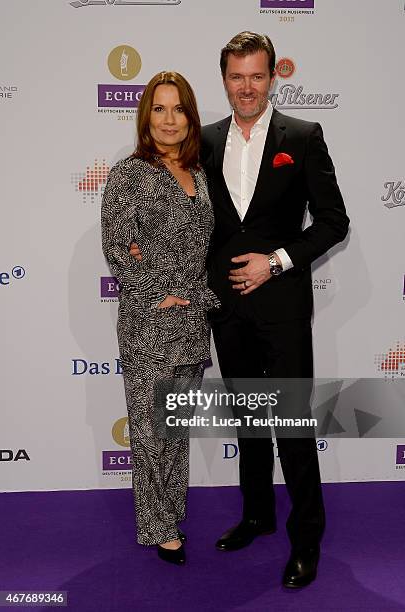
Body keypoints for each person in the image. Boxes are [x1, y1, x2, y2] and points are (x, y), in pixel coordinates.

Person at [200, 32, 350, 588]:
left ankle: (305, 538)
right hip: (227, 308)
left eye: (256, 76)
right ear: (225, 79)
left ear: (272, 78)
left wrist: (277, 261)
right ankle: (257, 515)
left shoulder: (304, 137)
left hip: (283, 306)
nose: (246, 86)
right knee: (249, 420)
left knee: (289, 422)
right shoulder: (205, 141)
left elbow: (334, 222)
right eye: (237, 76)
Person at [101, 71, 219, 566]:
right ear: (145, 116)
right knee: (150, 431)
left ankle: (170, 511)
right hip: (151, 321)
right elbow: (117, 248)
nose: (170, 120)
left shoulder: (202, 175)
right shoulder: (129, 174)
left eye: (179, 109)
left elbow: (204, 247)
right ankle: (159, 528)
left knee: (175, 429)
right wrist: (160, 293)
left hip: (194, 321)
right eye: (159, 109)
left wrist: (192, 296)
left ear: (190, 116)